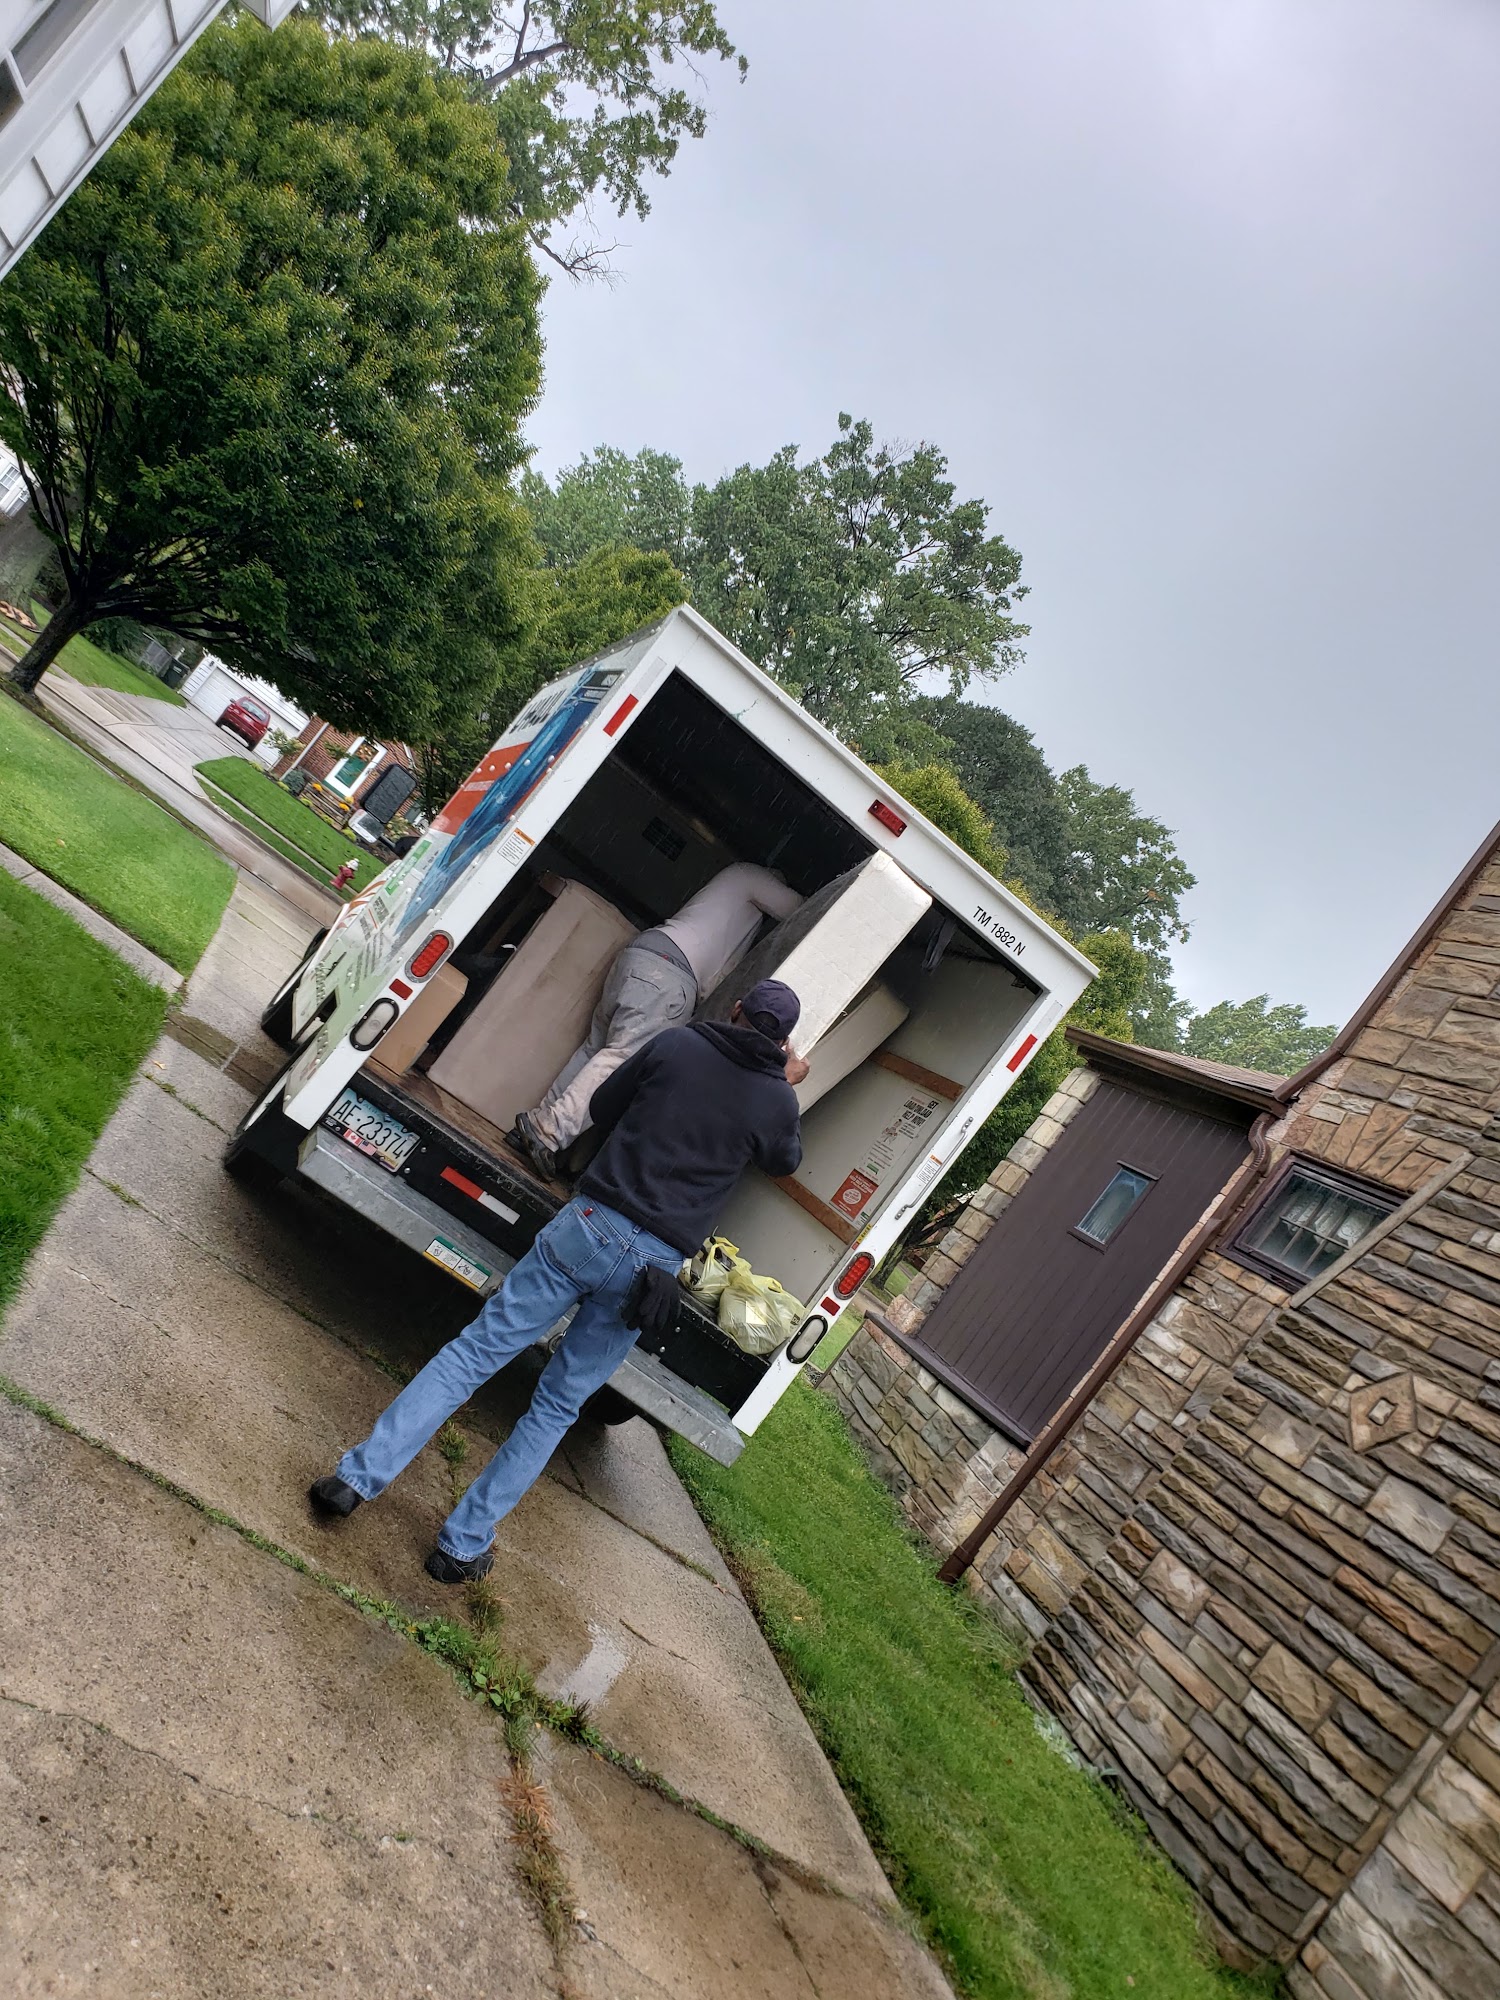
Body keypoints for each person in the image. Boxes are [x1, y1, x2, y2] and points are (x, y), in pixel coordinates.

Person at [308, 979, 811, 1582]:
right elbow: (783, 1161)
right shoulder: (774, 1100)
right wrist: (785, 1081)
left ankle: (354, 1481)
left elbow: (602, 1107)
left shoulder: (678, 1044)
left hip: (591, 1226)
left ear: (735, 1010)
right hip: (651, 1271)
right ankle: (460, 1548)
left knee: (474, 1353)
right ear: (783, 1042)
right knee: (556, 1406)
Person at [510, 861, 803, 1176]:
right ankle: (548, 1133)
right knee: (620, 1059)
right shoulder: (752, 876)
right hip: (666, 973)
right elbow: (803, 909)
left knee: (594, 1050)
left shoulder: (732, 902)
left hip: (640, 957)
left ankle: (534, 1127)